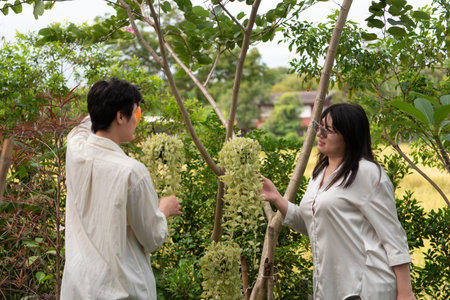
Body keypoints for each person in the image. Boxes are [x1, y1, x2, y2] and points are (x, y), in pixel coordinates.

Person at [261, 103, 416, 300]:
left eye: (329, 130)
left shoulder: (368, 173)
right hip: (329, 287)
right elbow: (314, 225)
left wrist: (405, 293)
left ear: (349, 136)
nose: (320, 134)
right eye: (320, 126)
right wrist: (276, 197)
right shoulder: (318, 175)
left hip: (365, 287)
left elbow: (393, 237)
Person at [61, 79, 182, 299]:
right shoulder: (132, 172)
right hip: (121, 290)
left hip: (78, 288)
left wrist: (110, 100)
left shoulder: (75, 149)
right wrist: (164, 210)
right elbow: (152, 237)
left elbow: (83, 125)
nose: (137, 120)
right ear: (120, 116)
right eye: (135, 113)